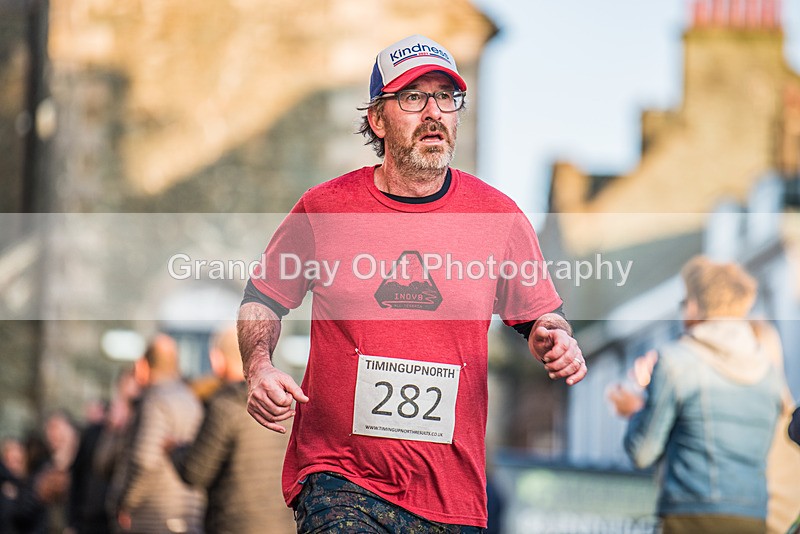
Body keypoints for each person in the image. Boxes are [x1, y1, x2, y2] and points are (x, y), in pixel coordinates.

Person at [237, 34, 587, 532]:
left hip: (450, 493)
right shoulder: (325, 208)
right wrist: (258, 366)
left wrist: (555, 337)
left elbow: (540, 317)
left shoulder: (498, 217)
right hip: (340, 478)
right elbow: (262, 300)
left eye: (445, 97)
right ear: (377, 119)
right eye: (413, 97)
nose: (433, 112)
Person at [609, 256, 783, 534]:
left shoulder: (676, 362)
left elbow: (642, 453)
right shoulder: (769, 373)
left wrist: (636, 409)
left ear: (693, 305)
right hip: (752, 515)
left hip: (690, 515)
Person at [168, 325, 295, 534]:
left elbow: (195, 472)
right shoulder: (288, 401)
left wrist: (175, 451)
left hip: (234, 524)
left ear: (217, 359)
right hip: (285, 525)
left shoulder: (225, 405)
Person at [115, 334, 205, 533]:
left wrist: (126, 502)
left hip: (153, 513)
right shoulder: (192, 400)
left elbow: (145, 459)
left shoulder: (155, 400)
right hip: (189, 512)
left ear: (143, 366)